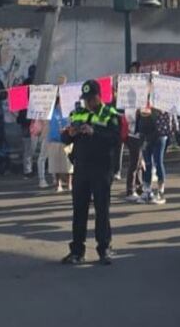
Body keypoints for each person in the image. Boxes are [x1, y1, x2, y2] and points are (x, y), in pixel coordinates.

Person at [61, 79, 120, 266]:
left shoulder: (110, 113)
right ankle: (77, 251)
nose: (88, 103)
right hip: (81, 167)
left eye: (90, 99)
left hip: (102, 168)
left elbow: (115, 138)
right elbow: (64, 138)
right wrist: (69, 134)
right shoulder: (78, 113)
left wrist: (94, 131)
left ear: (98, 97)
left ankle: (104, 249)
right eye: (85, 99)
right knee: (79, 210)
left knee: (102, 209)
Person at [137, 104, 176, 204]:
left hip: (159, 134)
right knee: (147, 163)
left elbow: (169, 119)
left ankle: (160, 192)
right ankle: (147, 190)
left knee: (158, 162)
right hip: (146, 134)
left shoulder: (163, 101)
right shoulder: (144, 99)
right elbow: (140, 117)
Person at [46, 100, 73, 192]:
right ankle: (59, 184)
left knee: (69, 163)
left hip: (67, 141)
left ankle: (70, 184)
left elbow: (72, 123)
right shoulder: (51, 112)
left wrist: (66, 128)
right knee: (55, 164)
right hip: (54, 140)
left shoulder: (70, 111)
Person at [19, 65, 36, 177]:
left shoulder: (21, 87)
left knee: (28, 147)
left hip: (26, 120)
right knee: (30, 146)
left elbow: (17, 107)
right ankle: (28, 169)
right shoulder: (41, 86)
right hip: (32, 120)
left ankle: (28, 170)